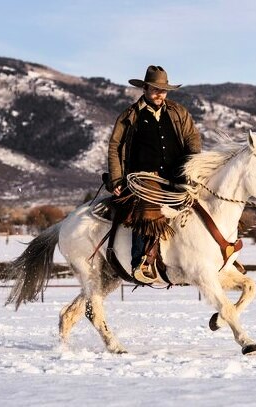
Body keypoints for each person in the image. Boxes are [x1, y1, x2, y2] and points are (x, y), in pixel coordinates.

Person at [107, 65, 201, 283]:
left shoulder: (178, 112)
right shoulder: (130, 116)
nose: (160, 94)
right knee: (148, 208)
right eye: (155, 89)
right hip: (144, 178)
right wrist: (116, 179)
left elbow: (192, 138)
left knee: (208, 200)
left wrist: (193, 165)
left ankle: (218, 253)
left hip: (178, 174)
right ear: (145, 88)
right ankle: (141, 261)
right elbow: (115, 147)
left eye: (164, 90)